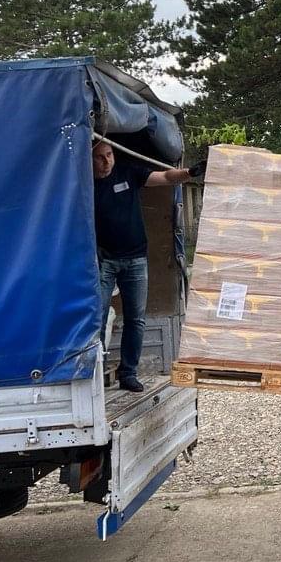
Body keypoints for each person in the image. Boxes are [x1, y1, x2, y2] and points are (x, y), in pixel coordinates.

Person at [92, 139, 203, 392]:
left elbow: (164, 177)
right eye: (100, 157)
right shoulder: (84, 185)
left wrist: (188, 173)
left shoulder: (128, 172)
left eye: (109, 155)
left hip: (135, 259)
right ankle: (96, 372)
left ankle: (128, 373)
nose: (107, 161)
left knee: (136, 319)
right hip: (104, 260)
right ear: (90, 160)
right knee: (96, 318)